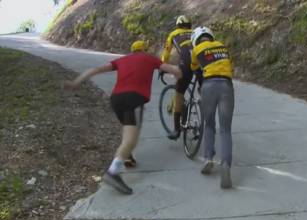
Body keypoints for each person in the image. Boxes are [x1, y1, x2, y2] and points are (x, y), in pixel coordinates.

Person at [63, 40, 182, 195]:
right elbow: (174, 70)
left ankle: (127, 156)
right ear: (145, 50)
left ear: (132, 51)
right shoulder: (150, 59)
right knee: (130, 140)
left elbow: (96, 70)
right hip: (135, 99)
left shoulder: (122, 60)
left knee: (127, 128)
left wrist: (75, 82)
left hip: (116, 99)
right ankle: (113, 172)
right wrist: (180, 73)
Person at [190, 26, 235, 189]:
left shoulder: (197, 49)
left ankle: (208, 158)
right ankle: (226, 165)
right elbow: (231, 67)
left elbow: (194, 68)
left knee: (209, 124)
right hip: (226, 86)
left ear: (196, 39)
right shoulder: (223, 47)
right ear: (211, 36)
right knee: (226, 129)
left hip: (208, 85)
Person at [161, 15, 201, 140]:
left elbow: (166, 53)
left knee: (179, 94)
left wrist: (163, 67)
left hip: (186, 63)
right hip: (201, 61)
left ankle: (176, 130)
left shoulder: (173, 34)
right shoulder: (195, 33)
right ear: (189, 25)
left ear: (178, 26)